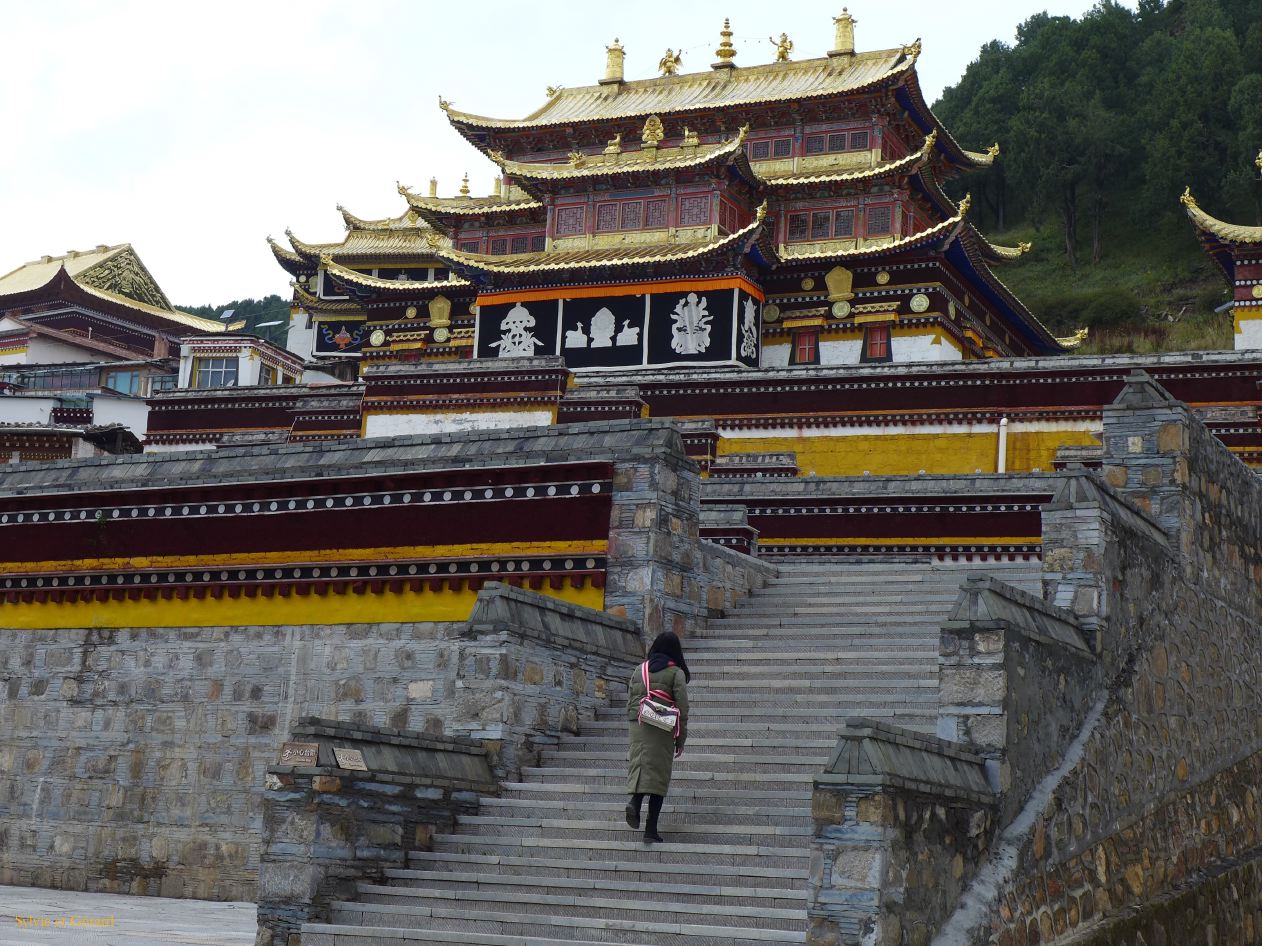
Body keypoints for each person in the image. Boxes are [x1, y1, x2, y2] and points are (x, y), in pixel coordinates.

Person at [625, 631, 690, 843]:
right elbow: (683, 708)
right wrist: (680, 739)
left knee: (639, 767)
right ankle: (650, 830)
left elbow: (630, 700)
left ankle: (634, 802)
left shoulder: (639, 669)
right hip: (662, 727)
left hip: (639, 724)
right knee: (659, 777)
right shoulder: (675, 673)